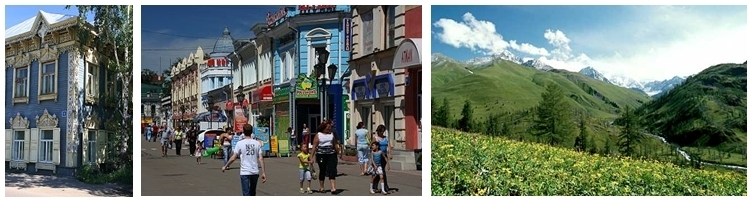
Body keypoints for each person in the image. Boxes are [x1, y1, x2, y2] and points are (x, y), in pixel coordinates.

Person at [223, 124, 267, 196]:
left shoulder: (240, 143)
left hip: (244, 172)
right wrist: (263, 172)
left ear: (243, 132)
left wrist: (226, 166)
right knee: (253, 193)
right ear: (252, 132)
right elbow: (261, 158)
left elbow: (234, 157)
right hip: (254, 171)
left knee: (246, 193)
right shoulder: (257, 143)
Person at [311, 120, 341, 194]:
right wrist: (311, 157)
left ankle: (333, 188)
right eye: (328, 127)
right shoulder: (318, 135)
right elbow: (314, 146)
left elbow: (334, 144)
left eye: (330, 127)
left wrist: (338, 152)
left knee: (332, 170)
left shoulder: (331, 134)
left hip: (331, 154)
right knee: (322, 170)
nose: (329, 128)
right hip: (321, 155)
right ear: (323, 127)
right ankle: (321, 187)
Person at [372, 125, 392, 192]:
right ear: (378, 131)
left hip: (384, 156)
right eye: (381, 131)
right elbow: (372, 146)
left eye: (383, 131)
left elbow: (389, 146)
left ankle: (374, 186)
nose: (382, 133)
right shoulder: (376, 138)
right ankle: (385, 187)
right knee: (382, 171)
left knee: (380, 171)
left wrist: (390, 153)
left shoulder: (385, 138)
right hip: (378, 156)